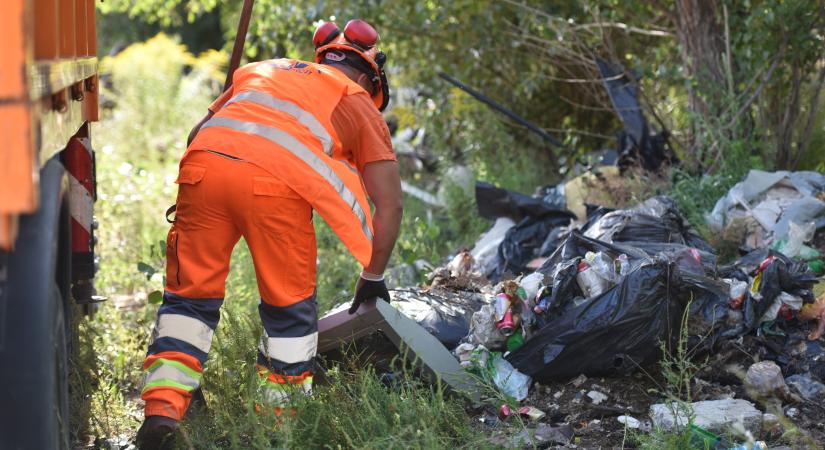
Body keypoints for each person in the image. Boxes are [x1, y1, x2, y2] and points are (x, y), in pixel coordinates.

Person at [136, 19, 402, 449]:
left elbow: (195, 134)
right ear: (368, 77)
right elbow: (389, 203)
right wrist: (372, 276)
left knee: (188, 302)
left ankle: (162, 412)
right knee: (288, 311)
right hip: (273, 190)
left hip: (204, 170)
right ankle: (277, 427)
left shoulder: (263, 69)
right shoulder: (357, 100)